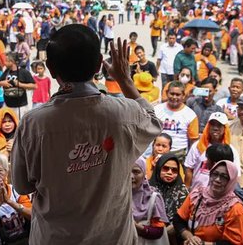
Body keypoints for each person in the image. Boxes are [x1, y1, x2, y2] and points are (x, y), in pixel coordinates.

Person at [12, 25, 162, 244]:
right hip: (113, 238)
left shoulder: (33, 124)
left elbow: (22, 185)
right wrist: (125, 79)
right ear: (100, 64)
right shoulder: (124, 113)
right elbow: (153, 122)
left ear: (51, 69)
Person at [174, 160, 243, 244]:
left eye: (224, 177)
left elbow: (233, 243)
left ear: (231, 181)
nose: (217, 179)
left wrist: (203, 244)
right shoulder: (197, 195)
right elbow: (178, 220)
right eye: (215, 174)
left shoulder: (234, 208)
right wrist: (190, 237)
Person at [184, 113, 238, 189]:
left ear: (225, 128)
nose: (215, 128)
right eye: (212, 124)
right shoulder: (197, 146)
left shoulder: (231, 151)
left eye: (219, 125)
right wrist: (187, 189)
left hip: (217, 195)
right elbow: (189, 169)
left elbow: (235, 175)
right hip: (196, 192)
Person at [149, 153, 188, 239]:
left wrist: (164, 234)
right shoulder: (147, 188)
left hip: (173, 236)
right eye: (166, 168)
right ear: (158, 168)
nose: (170, 173)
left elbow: (183, 218)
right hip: (149, 234)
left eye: (174, 170)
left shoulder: (182, 191)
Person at [154, 81, 199, 154]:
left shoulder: (191, 115)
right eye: (172, 94)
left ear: (183, 95)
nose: (174, 97)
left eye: (178, 94)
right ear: (167, 93)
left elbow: (193, 140)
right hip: (158, 151)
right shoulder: (156, 110)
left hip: (178, 153)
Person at [132, 159, 169, 243]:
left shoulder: (153, 198)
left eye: (136, 172)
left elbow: (159, 231)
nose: (131, 176)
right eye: (127, 171)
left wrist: (138, 228)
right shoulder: (118, 197)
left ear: (144, 174)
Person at [0, 53, 36, 118]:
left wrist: (20, 84)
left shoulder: (24, 72)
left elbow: (34, 86)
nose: (4, 63)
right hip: (8, 105)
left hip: (21, 106)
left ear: (12, 62)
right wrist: (2, 83)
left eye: (6, 61)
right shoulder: (6, 72)